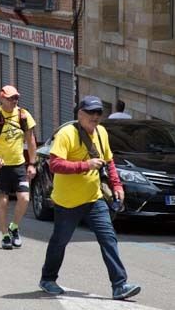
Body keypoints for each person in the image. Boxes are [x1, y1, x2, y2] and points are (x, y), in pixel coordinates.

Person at [39, 96, 141, 300]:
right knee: (60, 241)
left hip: (94, 199)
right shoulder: (67, 134)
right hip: (67, 201)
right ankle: (48, 279)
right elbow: (55, 165)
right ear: (80, 114)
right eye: (91, 112)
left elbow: (109, 162)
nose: (95, 117)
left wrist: (117, 185)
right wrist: (85, 165)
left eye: (99, 113)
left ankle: (119, 285)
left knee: (108, 239)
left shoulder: (102, 132)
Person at [0, 85, 37, 250]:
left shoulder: (23, 115)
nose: (14, 101)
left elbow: (31, 141)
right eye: (11, 98)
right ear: (2, 98)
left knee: (24, 198)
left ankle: (14, 227)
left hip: (18, 164)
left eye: (16, 98)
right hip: (0, 166)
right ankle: (5, 235)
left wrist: (32, 164)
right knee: (3, 201)